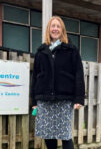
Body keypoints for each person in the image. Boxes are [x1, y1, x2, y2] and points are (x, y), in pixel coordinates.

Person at [31, 16, 85, 149]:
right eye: (52, 26)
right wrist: (34, 101)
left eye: (58, 26)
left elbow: (79, 73)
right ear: (49, 29)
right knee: (48, 136)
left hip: (64, 99)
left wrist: (79, 98)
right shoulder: (41, 52)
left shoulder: (71, 50)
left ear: (62, 30)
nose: (55, 29)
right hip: (44, 99)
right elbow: (35, 77)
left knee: (65, 136)